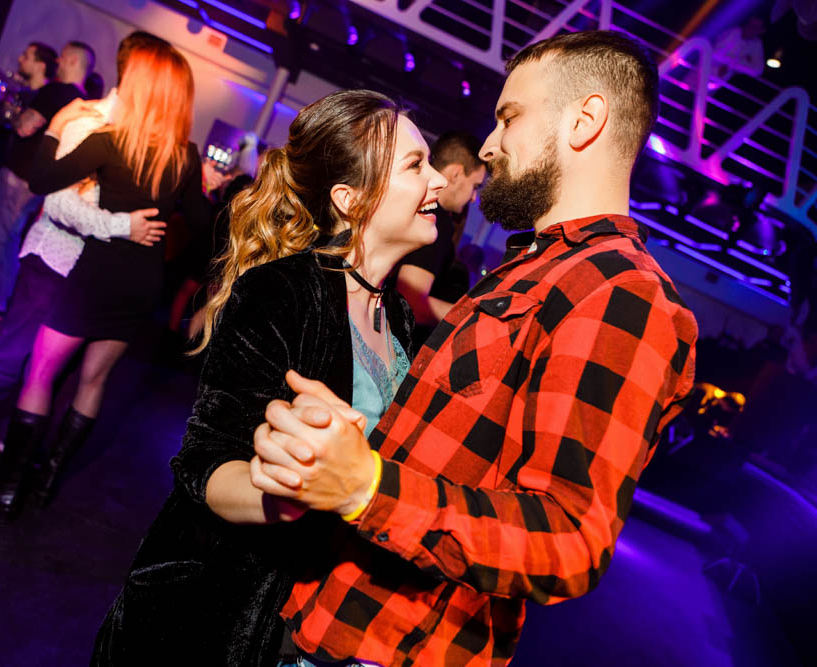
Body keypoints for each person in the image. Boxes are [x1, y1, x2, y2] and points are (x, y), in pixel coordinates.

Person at [251, 30, 699, 666]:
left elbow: (569, 536)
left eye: (509, 117)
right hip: (333, 618)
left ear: (585, 120)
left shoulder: (621, 295)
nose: (489, 145)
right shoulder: (537, 270)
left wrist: (365, 486)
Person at [90, 89, 447, 664]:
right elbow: (206, 466)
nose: (439, 181)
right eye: (415, 165)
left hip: (306, 617)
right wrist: (291, 492)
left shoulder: (399, 316)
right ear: (351, 199)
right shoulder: (282, 291)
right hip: (204, 618)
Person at [0, 36, 210, 518]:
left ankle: (7, 492)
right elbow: (205, 227)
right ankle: (44, 487)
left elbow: (42, 180)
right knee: (94, 382)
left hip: (95, 274)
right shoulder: (186, 156)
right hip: (142, 284)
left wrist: (57, 128)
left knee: (41, 373)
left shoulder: (110, 140)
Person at [0, 32, 164, 485]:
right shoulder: (86, 121)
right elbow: (60, 204)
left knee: (50, 369)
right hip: (54, 258)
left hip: (93, 273)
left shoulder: (145, 139)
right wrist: (124, 225)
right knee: (12, 354)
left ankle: (16, 436)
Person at [0, 41, 90, 321]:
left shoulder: (56, 91)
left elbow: (26, 127)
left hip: (21, 174)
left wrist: (13, 115)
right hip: (39, 179)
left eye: (63, 57)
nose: (58, 62)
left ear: (75, 62)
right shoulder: (84, 104)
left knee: (4, 236)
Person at [395, 130, 486, 348]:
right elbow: (410, 301)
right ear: (456, 174)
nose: (474, 198)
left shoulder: (417, 209)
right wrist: (473, 318)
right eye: (475, 186)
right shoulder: (435, 220)